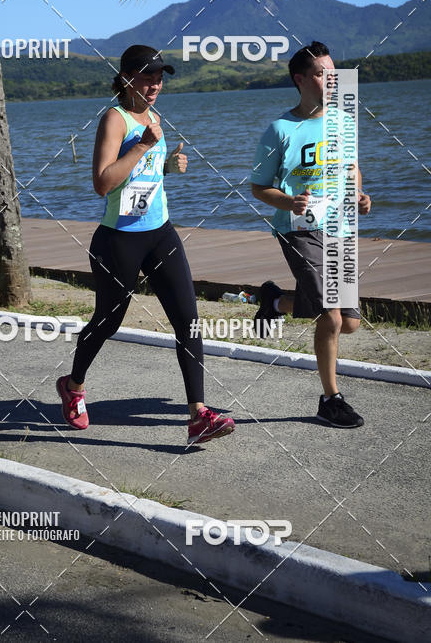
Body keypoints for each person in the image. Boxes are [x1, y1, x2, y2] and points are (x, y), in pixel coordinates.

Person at [57, 44, 235, 445]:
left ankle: (198, 416)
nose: (155, 86)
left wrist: (168, 165)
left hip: (160, 233)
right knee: (108, 321)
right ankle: (73, 385)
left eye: (159, 79)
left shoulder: (154, 117)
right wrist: (141, 145)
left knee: (188, 321)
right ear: (126, 79)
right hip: (119, 239)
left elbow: (143, 176)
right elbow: (103, 182)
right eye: (147, 78)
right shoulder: (115, 119)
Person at [250, 42, 372, 428]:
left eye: (333, 73)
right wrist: (290, 202)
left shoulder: (343, 122)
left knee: (349, 322)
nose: (331, 81)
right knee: (331, 315)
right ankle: (330, 400)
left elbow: (352, 169)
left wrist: (359, 194)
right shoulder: (280, 130)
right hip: (299, 231)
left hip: (340, 228)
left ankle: (275, 302)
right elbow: (258, 187)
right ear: (300, 79)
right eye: (322, 74)